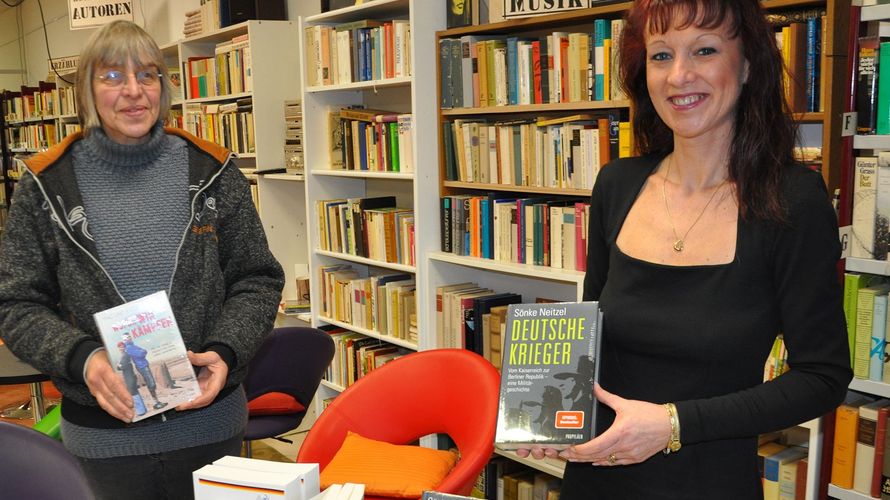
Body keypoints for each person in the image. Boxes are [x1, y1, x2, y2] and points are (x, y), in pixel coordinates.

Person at [517, 1, 852, 498]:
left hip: (708, 482)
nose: (679, 76)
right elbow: (591, 336)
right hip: (597, 475)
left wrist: (671, 425)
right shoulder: (617, 184)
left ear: (748, 66)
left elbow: (822, 377)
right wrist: (539, 412)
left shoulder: (792, 200)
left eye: (705, 50)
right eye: (660, 56)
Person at [0, 20, 284, 499]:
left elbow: (256, 279)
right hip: (104, 440)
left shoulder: (212, 171)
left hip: (210, 429)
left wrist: (224, 351)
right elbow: (17, 304)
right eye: (112, 76)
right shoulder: (47, 185)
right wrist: (84, 359)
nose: (133, 92)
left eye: (147, 75)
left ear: (163, 86)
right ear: (87, 89)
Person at [121, 333, 167, 410]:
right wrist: (142, 351)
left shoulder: (133, 346)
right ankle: (156, 403)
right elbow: (141, 353)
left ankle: (157, 402)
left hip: (144, 365)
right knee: (151, 383)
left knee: (151, 383)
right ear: (125, 340)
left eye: (129, 337)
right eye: (127, 338)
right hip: (141, 366)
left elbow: (144, 351)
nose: (129, 338)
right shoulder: (129, 348)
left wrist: (142, 351)